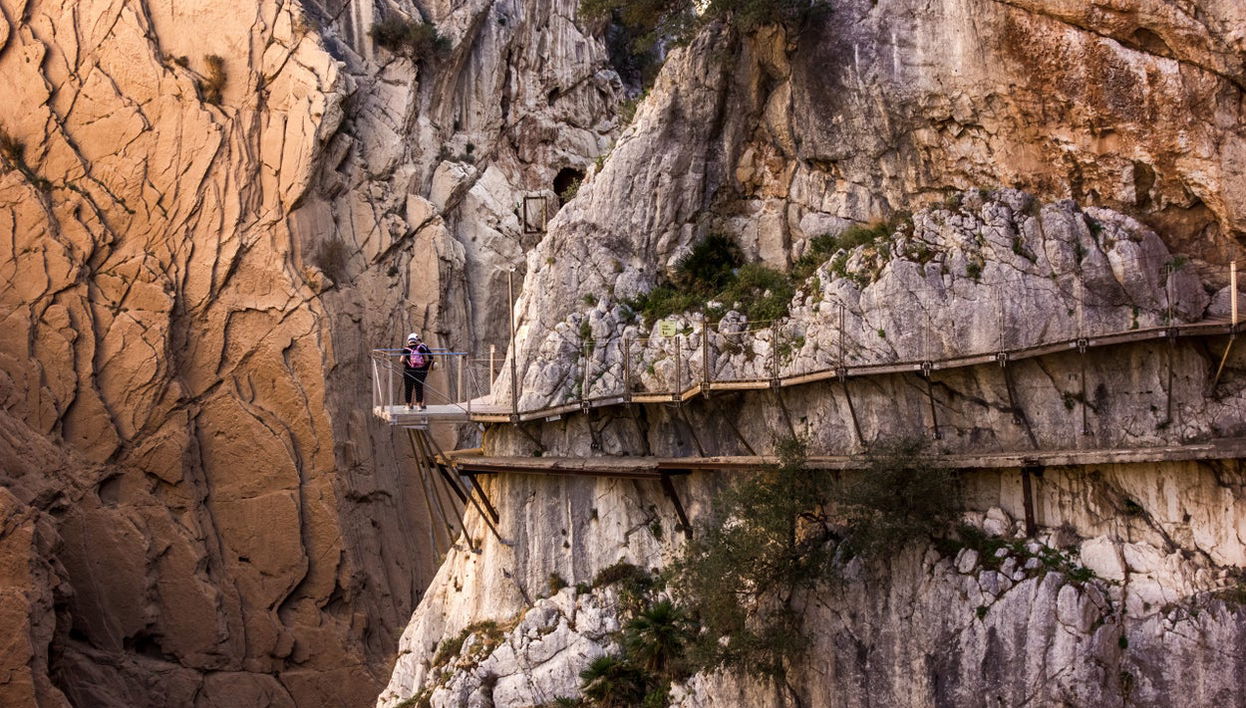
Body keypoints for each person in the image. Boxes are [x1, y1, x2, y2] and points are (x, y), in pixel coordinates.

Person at [401, 333, 433, 410]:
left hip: (408, 371)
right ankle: (419, 405)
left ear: (408, 340)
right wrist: (422, 365)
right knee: (419, 388)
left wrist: (407, 363)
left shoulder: (406, 349)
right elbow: (427, 359)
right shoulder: (421, 348)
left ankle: (408, 405)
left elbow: (401, 360)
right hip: (419, 371)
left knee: (408, 388)